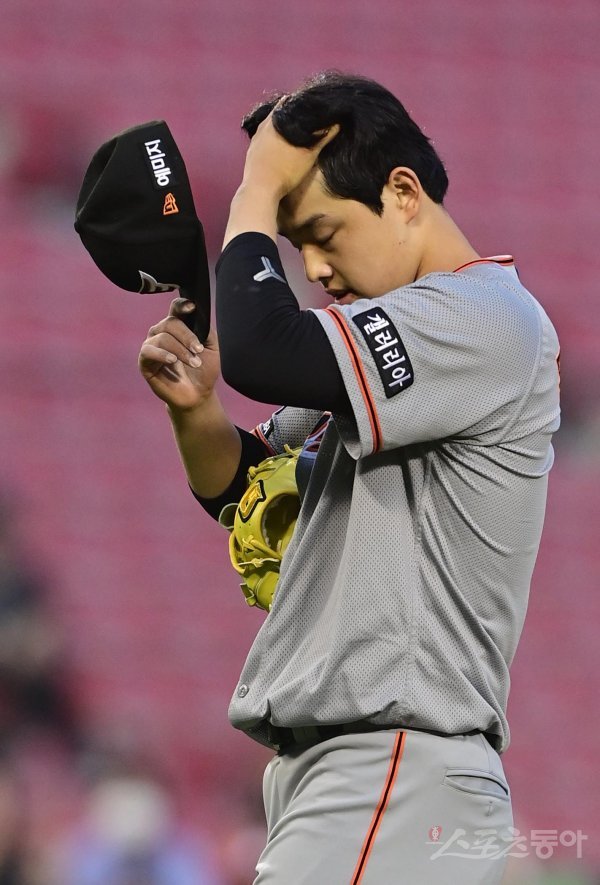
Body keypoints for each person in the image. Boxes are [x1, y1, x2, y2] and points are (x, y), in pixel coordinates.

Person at [138, 72, 560, 884]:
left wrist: (258, 187)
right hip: (367, 781)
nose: (316, 269)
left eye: (323, 232)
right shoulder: (394, 337)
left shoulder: (484, 316)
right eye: (297, 246)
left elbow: (265, 350)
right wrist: (195, 413)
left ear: (402, 193)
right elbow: (250, 489)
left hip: (391, 770)